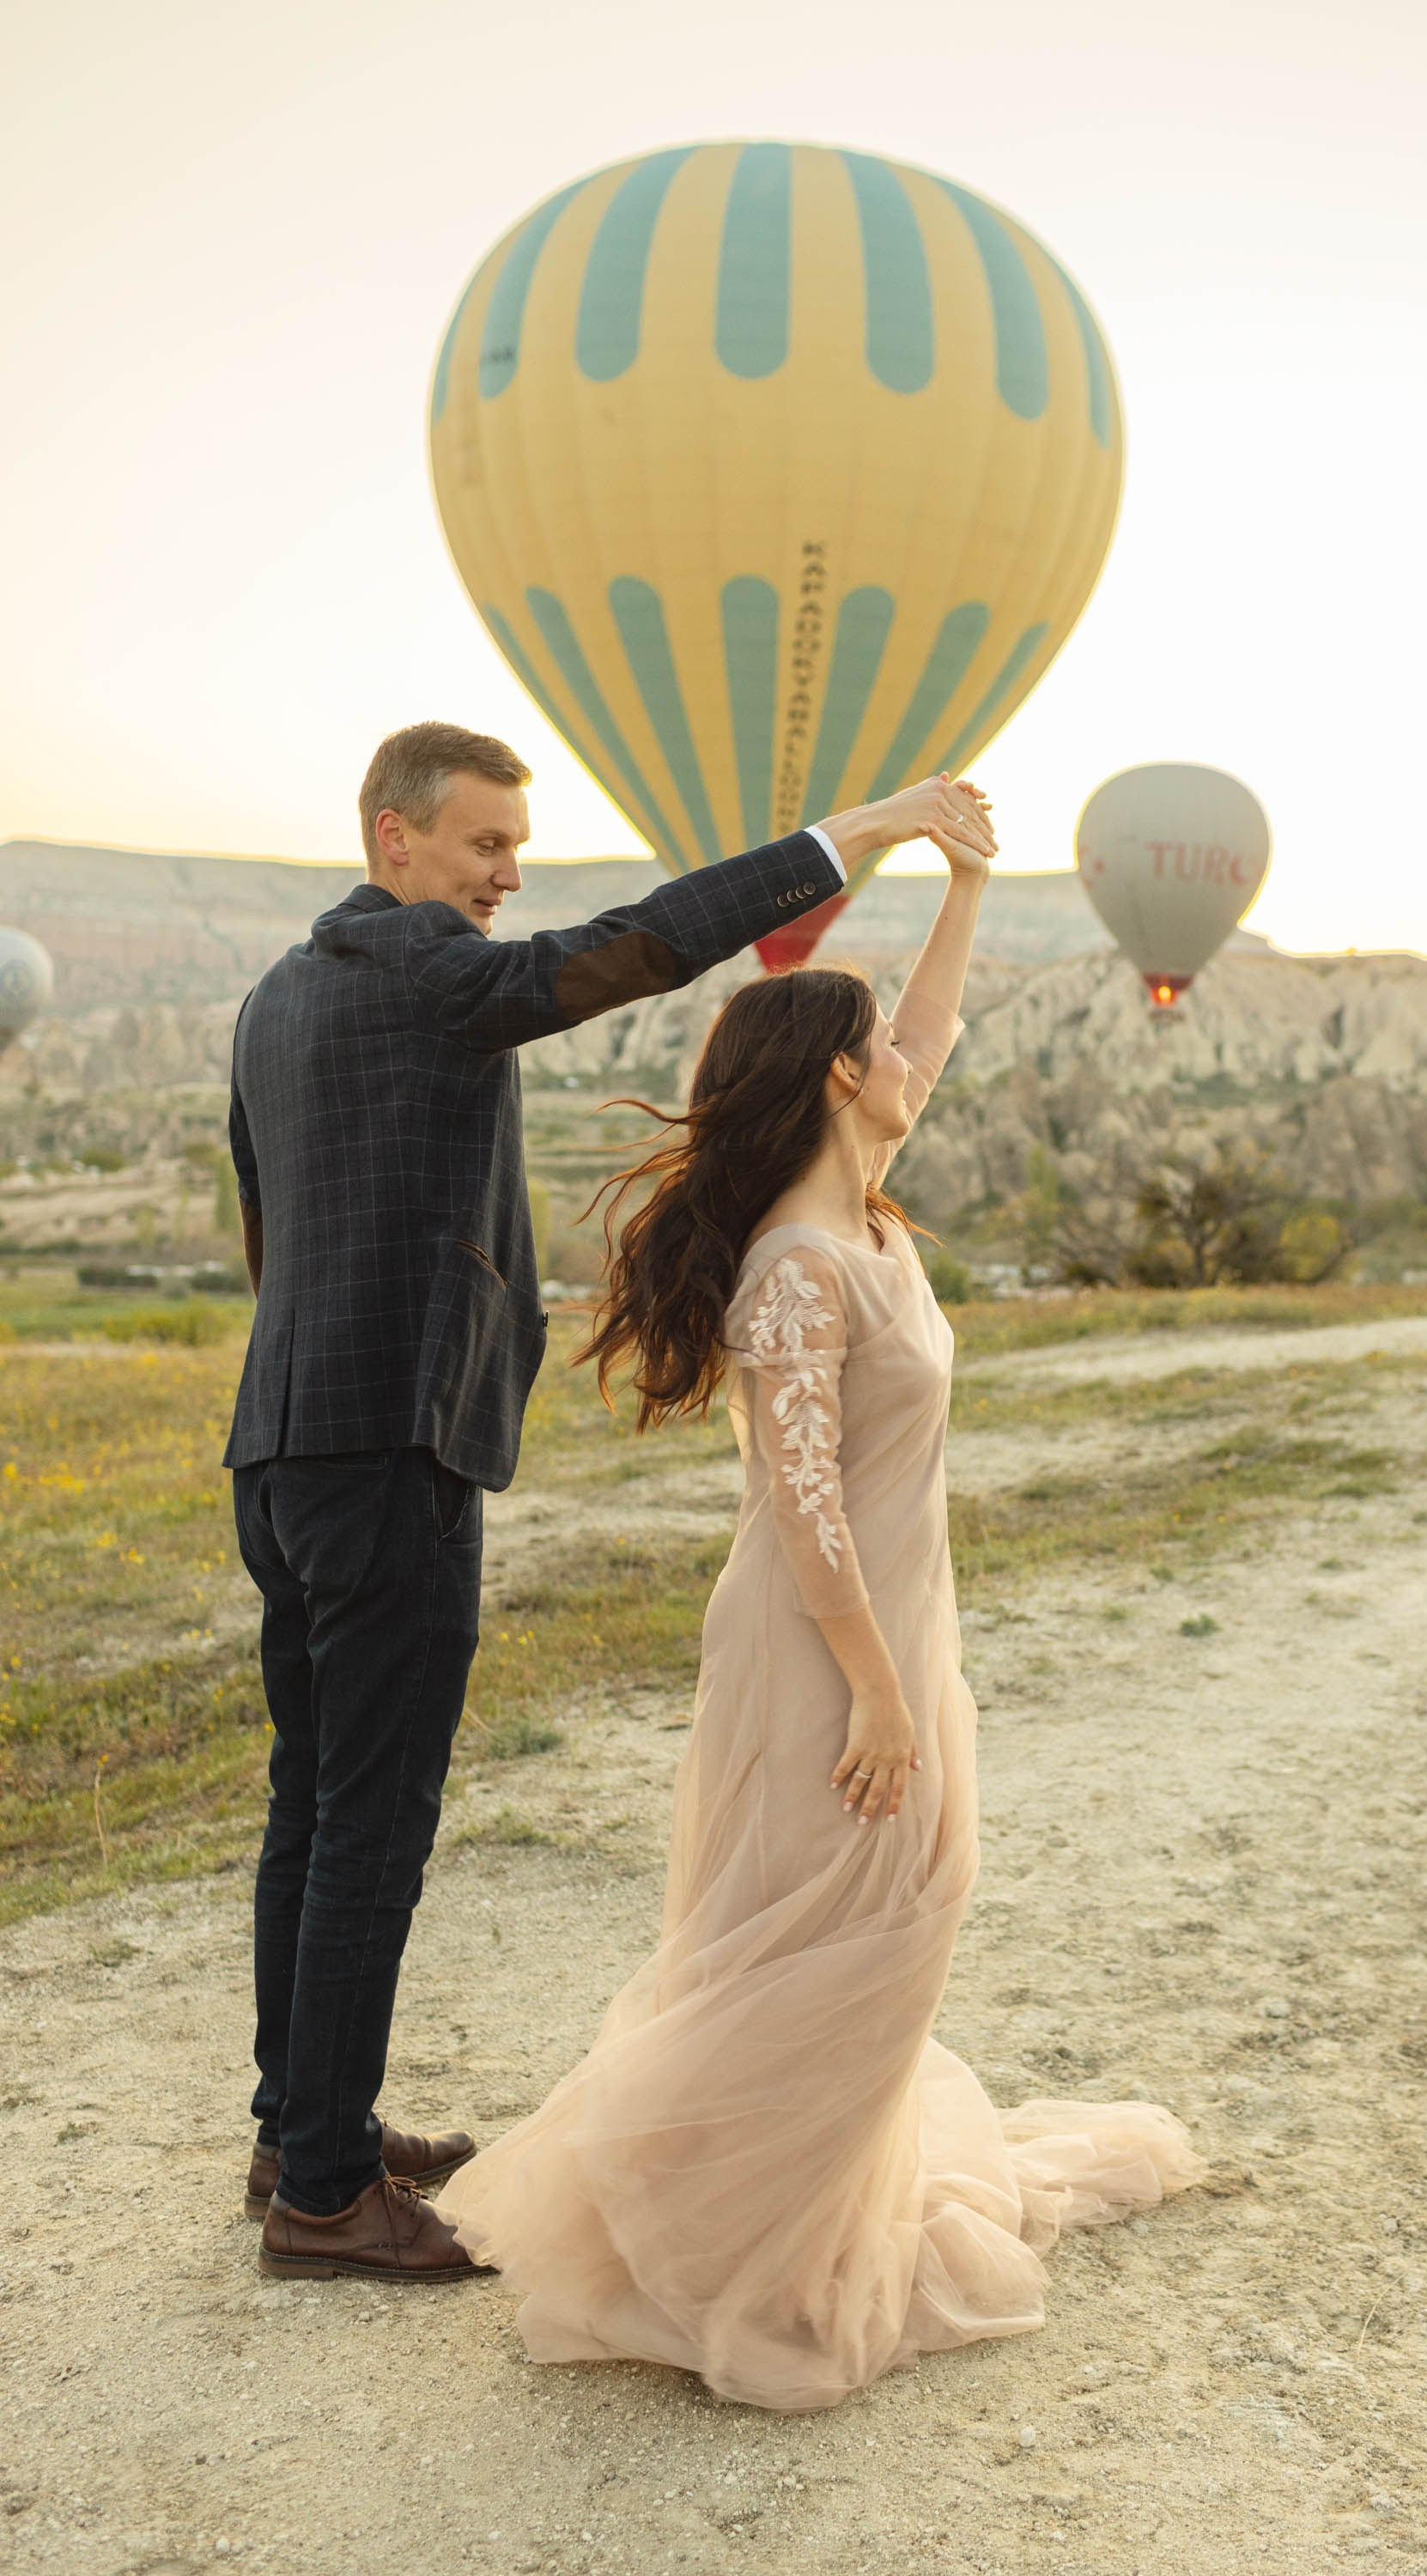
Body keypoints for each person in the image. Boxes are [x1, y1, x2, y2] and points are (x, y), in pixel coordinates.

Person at [438, 787, 1203, 2406]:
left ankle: (795, 2219)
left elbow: (929, 1025)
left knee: (881, 1921)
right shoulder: (798, 1264)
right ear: (841, 1080)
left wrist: (963, 883)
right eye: (879, 1049)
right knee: (829, 1930)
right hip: (824, 1646)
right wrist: (872, 1689)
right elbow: (803, 1511)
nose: (910, 1058)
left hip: (891, 1628)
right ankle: (747, 2256)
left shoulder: (860, 1202)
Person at [226, 716, 995, 2283]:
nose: (509, 876)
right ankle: (324, 2198)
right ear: (392, 839)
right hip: (390, 1451)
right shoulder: (431, 976)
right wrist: (859, 831)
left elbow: (267, 1220)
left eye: (516, 847)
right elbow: (642, 945)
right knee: (372, 1819)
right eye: (485, 844)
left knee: (312, 1801)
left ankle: (299, 2132)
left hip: (289, 1441)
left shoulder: (278, 998)